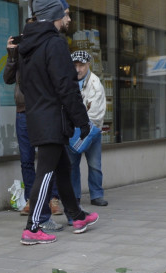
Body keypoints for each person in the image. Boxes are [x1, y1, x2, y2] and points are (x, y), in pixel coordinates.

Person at [17, 0, 98, 245]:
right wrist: (82, 120)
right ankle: (32, 228)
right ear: (54, 14)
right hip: (52, 118)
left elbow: (25, 85)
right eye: (66, 14)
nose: (69, 20)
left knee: (63, 169)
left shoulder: (28, 46)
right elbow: (67, 86)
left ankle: (77, 215)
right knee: (45, 174)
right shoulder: (54, 43)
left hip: (38, 115)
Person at [3, 30, 63, 232]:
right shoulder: (19, 55)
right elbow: (8, 78)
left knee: (48, 159)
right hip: (22, 112)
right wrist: (12, 56)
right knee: (27, 160)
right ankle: (32, 199)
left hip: (42, 111)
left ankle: (52, 199)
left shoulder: (43, 52)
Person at [67, 50, 107, 207]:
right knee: (71, 166)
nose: (78, 69)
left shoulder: (96, 84)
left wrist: (82, 130)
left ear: (88, 64)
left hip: (92, 131)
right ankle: (74, 196)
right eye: (75, 65)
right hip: (72, 130)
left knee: (95, 165)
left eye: (81, 65)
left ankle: (97, 195)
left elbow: (95, 116)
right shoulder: (68, 81)